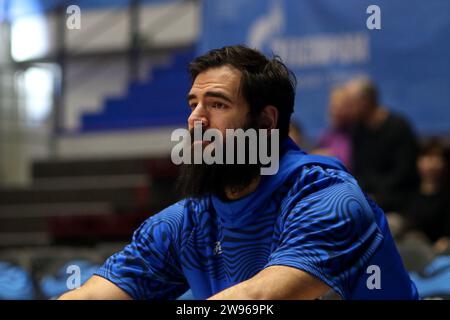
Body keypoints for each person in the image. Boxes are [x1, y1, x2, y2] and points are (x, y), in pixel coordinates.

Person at [59, 45, 418, 300]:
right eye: (192, 104)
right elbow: (94, 294)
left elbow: (263, 297)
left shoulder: (329, 199)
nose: (195, 120)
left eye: (217, 104)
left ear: (264, 122)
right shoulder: (188, 220)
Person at [346, 78, 419, 212]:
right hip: (369, 199)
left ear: (365, 102)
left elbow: (404, 173)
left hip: (400, 203)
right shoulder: (358, 130)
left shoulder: (398, 127)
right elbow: (360, 171)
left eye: (350, 103)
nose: (347, 108)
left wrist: (375, 195)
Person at [312, 86, 355, 170]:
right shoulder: (327, 136)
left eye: (341, 106)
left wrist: (331, 159)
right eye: (333, 106)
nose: (335, 111)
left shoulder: (358, 133)